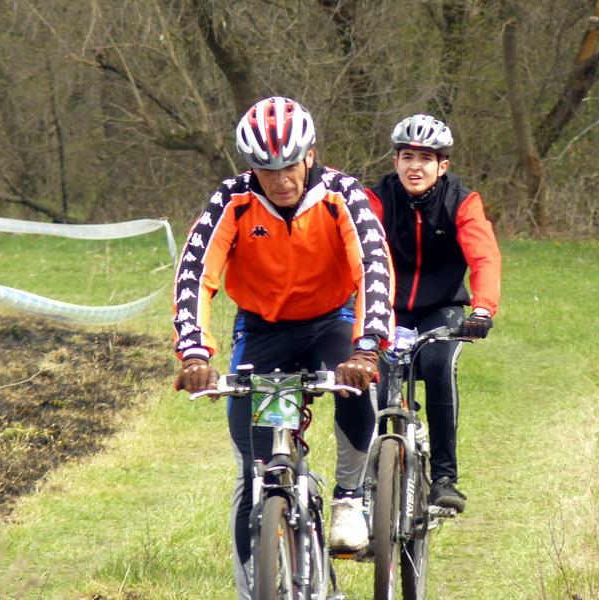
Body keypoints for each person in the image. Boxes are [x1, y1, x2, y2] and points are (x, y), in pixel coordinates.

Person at [172, 96, 393, 599]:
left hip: (329, 323)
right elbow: (194, 274)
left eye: (289, 165)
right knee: (254, 476)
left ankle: (349, 498)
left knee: (354, 389)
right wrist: (194, 352)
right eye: (266, 169)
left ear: (310, 155)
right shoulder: (231, 200)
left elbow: (373, 268)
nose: (280, 180)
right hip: (263, 331)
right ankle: (256, 589)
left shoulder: (343, 194)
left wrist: (367, 346)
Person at [366, 114, 501, 513]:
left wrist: (482, 309)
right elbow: (355, 254)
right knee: (377, 378)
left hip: (440, 309)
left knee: (439, 366)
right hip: (385, 308)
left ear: (443, 166)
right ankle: (367, 481)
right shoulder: (376, 200)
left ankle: (444, 477)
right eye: (407, 156)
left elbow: (484, 258)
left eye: (426, 158)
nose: (415, 166)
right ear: (395, 162)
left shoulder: (462, 202)